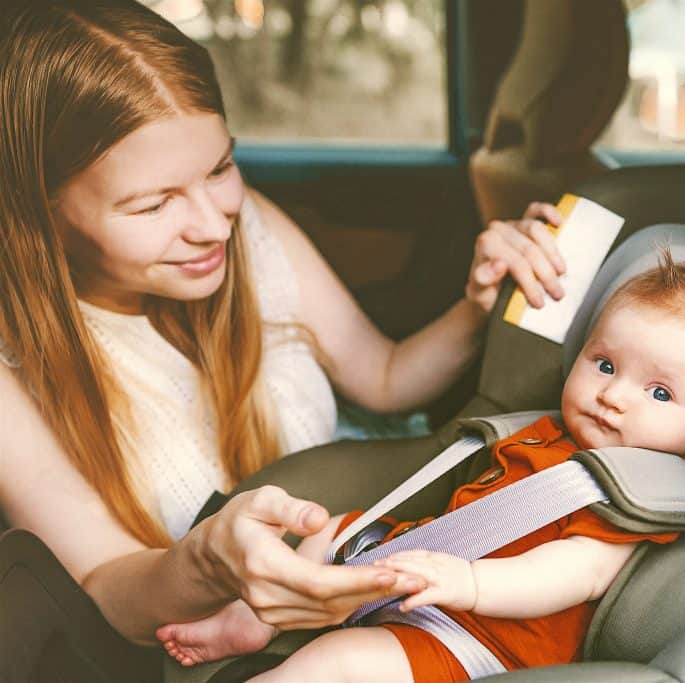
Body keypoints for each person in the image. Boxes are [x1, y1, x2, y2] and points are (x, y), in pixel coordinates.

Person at [0, 0, 567, 647]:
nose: (213, 223)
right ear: (41, 209)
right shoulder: (13, 363)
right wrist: (209, 558)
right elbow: (102, 581)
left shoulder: (249, 227)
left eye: (220, 168)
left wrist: (481, 300)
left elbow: (384, 377)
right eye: (154, 204)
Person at [157, 255, 685, 681]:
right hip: (429, 579)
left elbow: (578, 572)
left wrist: (468, 583)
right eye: (604, 364)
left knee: (330, 669)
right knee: (327, 526)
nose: (615, 395)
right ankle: (247, 622)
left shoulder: (645, 488)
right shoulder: (551, 431)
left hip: (483, 640)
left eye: (659, 393)